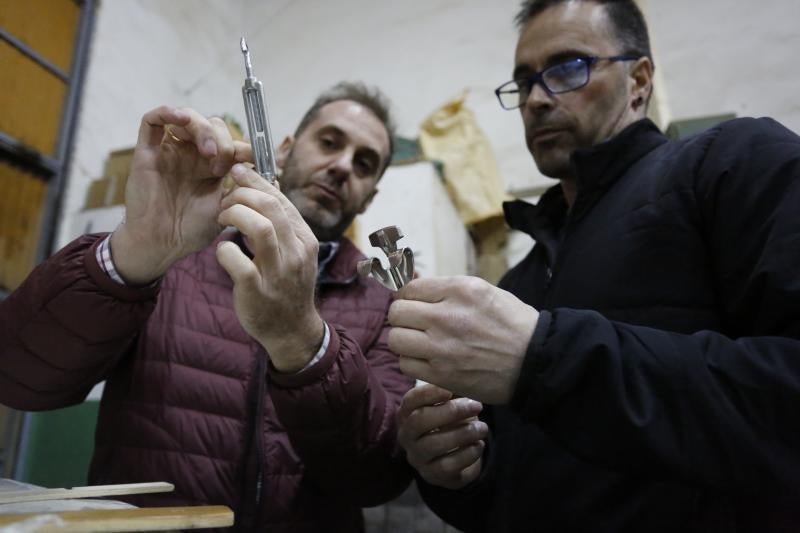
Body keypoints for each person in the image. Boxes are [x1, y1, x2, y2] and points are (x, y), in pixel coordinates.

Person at [388, 1, 800, 531]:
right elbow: (507, 488)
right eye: (524, 82)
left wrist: (544, 359)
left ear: (639, 81)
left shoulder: (734, 164)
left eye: (567, 68)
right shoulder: (521, 281)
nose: (536, 100)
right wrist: (455, 471)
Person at [0, 82, 414, 532]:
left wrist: (304, 344)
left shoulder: (386, 305)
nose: (342, 166)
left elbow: (377, 476)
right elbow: (17, 379)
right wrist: (136, 251)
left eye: (364, 163)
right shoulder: (177, 257)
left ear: (370, 195)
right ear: (285, 147)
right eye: (330, 142)